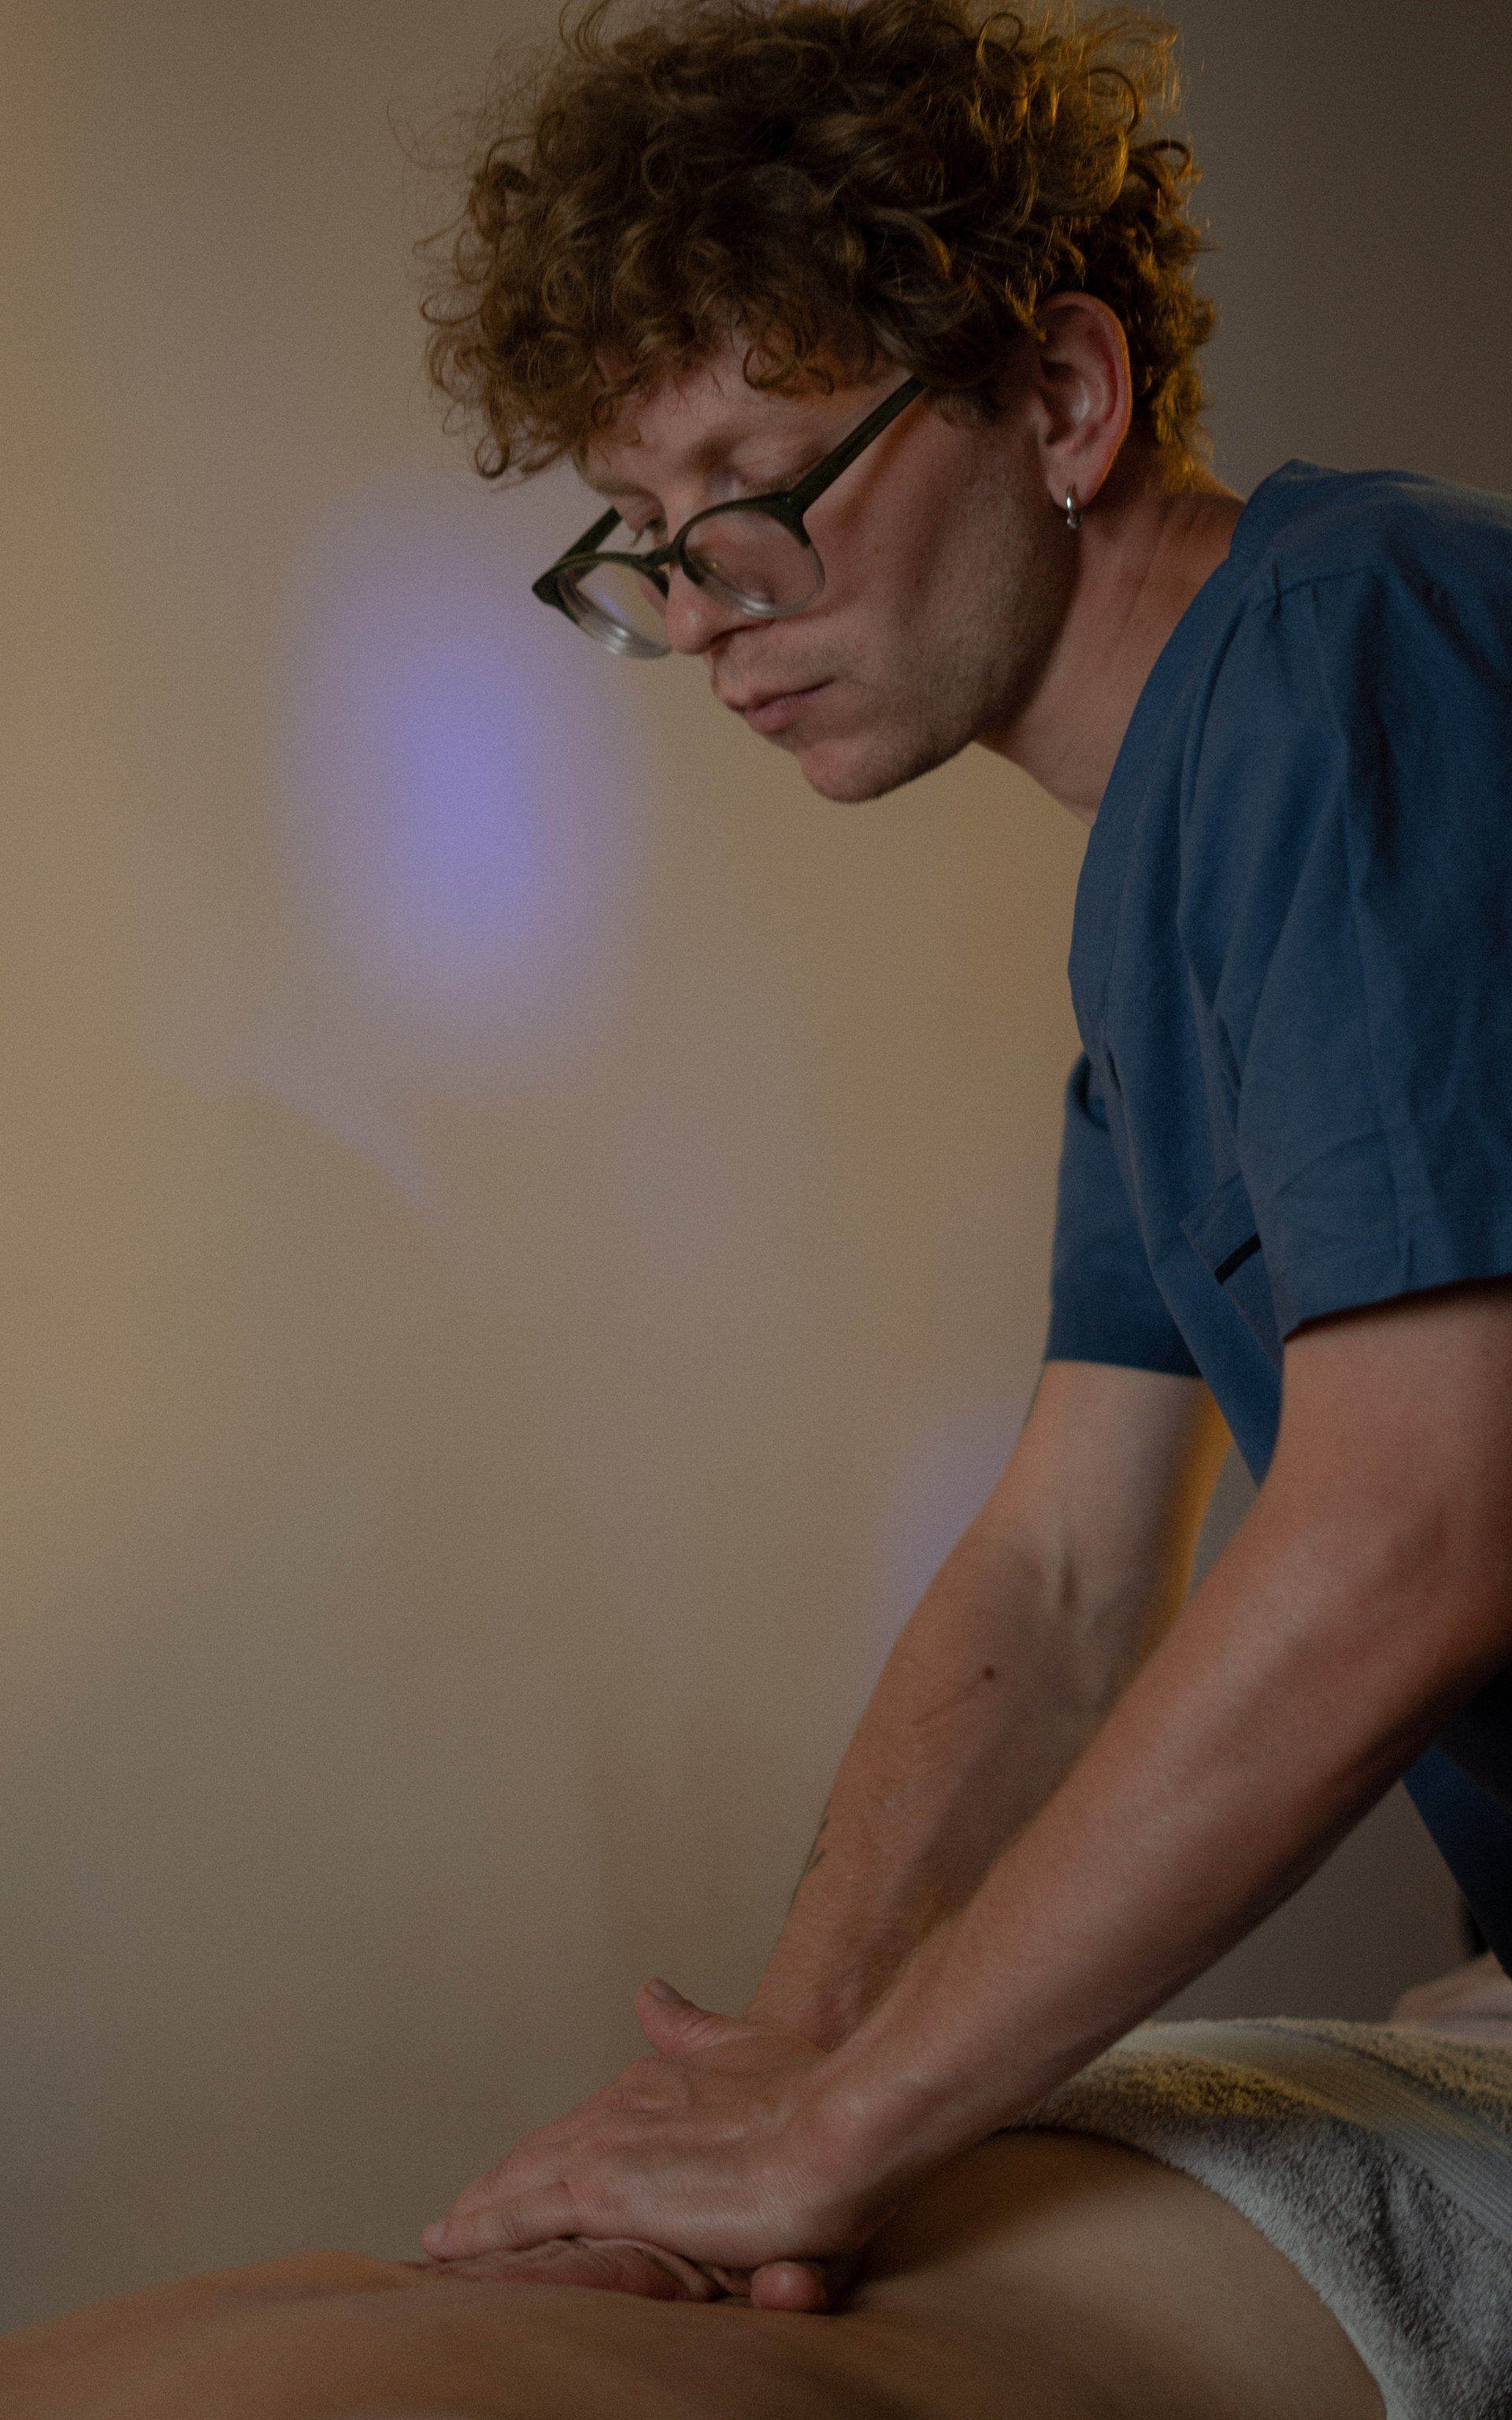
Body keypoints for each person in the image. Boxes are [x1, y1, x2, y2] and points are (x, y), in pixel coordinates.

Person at [413, 0, 1512, 2315]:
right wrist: (795, 2047)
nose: (700, 614)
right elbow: (1060, 1565)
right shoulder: (1156, 913)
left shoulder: (1348, 649)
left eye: (753, 492)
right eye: (646, 541)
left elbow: (1418, 1525)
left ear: (1066, 402)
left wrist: (843, 2128)